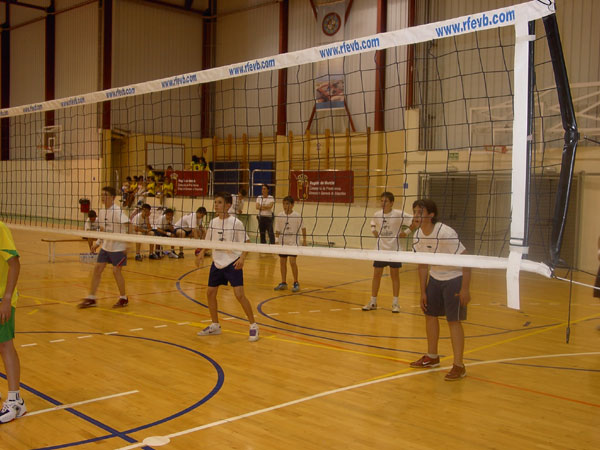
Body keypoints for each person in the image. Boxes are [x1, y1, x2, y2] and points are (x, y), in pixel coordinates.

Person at [409, 199, 471, 381]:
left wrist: (465, 288)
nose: (416, 216)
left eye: (420, 212)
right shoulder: (417, 235)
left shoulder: (445, 232)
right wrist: (423, 292)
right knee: (430, 316)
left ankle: (459, 365)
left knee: (453, 321)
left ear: (431, 215)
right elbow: (422, 265)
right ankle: (432, 356)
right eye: (414, 212)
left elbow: (467, 260)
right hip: (435, 278)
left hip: (454, 278)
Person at [195, 192, 259, 342]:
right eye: (215, 202)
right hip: (217, 262)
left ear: (228, 205)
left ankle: (254, 326)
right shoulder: (213, 222)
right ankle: (215, 325)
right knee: (210, 293)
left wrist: (242, 257)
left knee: (239, 295)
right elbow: (208, 240)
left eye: (219, 202)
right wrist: (202, 252)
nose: (216, 205)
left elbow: (247, 243)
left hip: (232, 262)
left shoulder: (236, 223)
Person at [362, 192, 416, 313]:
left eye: (385, 201)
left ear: (391, 203)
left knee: (394, 276)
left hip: (394, 250)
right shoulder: (377, 214)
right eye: (381, 201)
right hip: (380, 250)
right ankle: (373, 301)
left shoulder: (398, 214)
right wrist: (373, 230)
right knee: (376, 275)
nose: (383, 203)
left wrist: (406, 233)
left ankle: (395, 303)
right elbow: (372, 221)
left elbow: (414, 221)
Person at [79, 186, 131, 309]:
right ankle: (91, 298)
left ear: (113, 197)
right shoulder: (102, 212)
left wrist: (128, 244)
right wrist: (97, 243)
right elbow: (103, 230)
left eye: (106, 195)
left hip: (118, 247)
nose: (103, 197)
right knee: (97, 270)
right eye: (102, 195)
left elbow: (130, 225)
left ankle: (123, 298)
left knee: (116, 271)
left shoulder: (117, 211)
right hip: (106, 246)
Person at [0, 221, 27, 424]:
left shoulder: (0, 228)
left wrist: (7, 299)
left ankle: (15, 401)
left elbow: (14, 263)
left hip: (2, 300)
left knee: (5, 345)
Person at [274, 196, 307, 292]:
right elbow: (277, 229)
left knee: (292, 262)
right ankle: (283, 282)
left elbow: (303, 228)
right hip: (283, 242)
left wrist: (304, 240)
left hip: (293, 242)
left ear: (292, 205)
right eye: (284, 204)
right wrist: (276, 241)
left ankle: (296, 282)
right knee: (282, 262)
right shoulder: (280, 215)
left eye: (287, 204)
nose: (285, 206)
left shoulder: (297, 215)